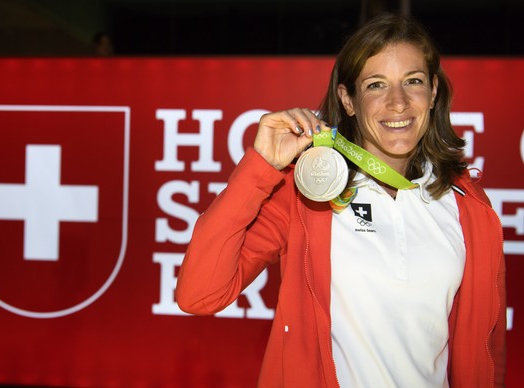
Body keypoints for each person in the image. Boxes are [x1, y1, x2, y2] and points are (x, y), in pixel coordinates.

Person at [176, 13, 506, 387]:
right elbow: (199, 295)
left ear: (433, 92)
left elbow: (488, 350)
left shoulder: (468, 205)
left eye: (412, 82)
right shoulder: (306, 195)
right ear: (348, 100)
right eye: (376, 85)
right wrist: (260, 168)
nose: (397, 103)